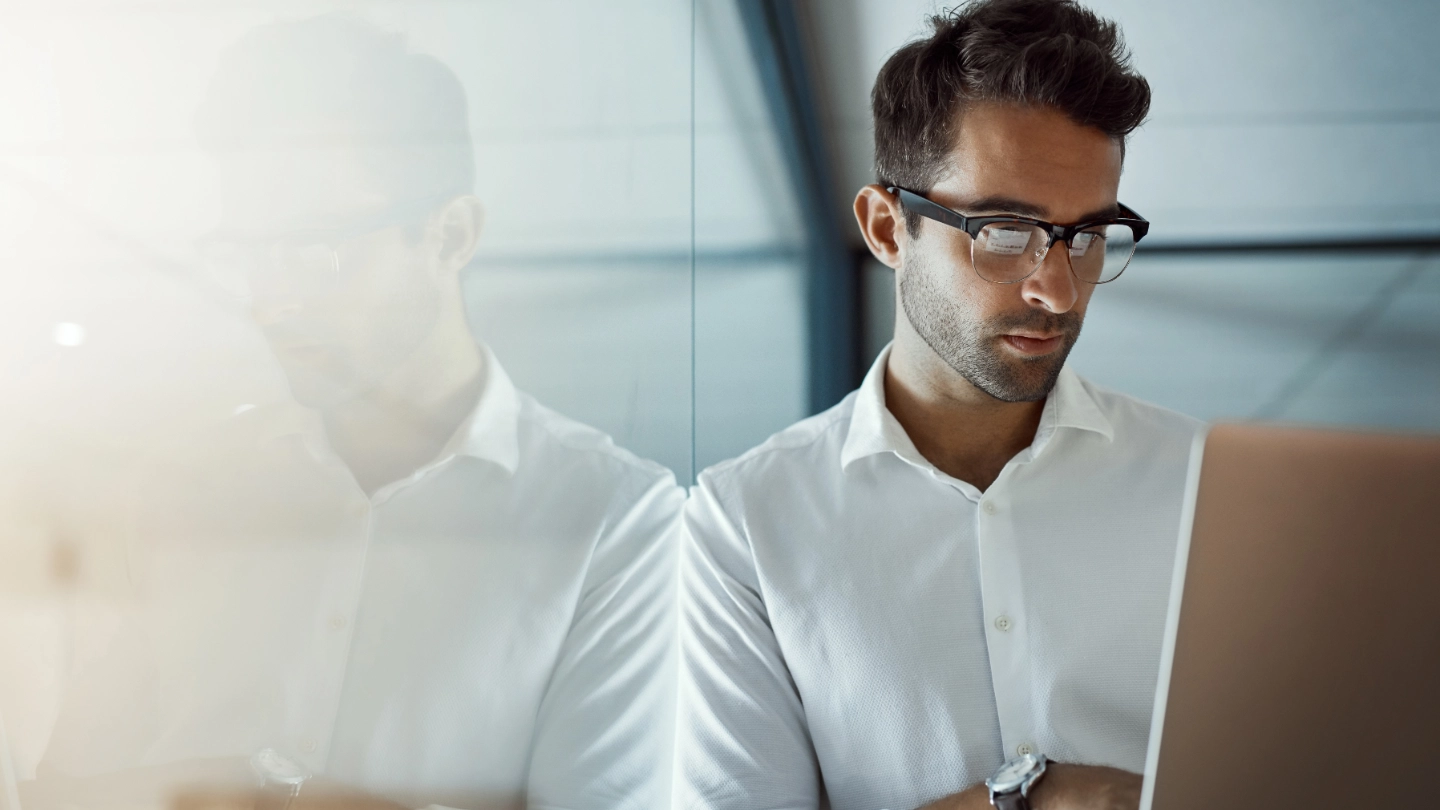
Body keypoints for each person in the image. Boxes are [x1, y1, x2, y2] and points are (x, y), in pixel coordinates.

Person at [31, 14, 681, 810]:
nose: (270, 298)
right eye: (249, 252)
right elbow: (62, 792)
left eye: (312, 248)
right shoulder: (184, 492)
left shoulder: (616, 521)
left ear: (449, 235)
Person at [674, 2, 1201, 809]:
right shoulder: (745, 522)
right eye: (1002, 230)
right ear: (888, 229)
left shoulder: (1205, 488)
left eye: (1088, 236)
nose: (1054, 288)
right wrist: (1030, 801)